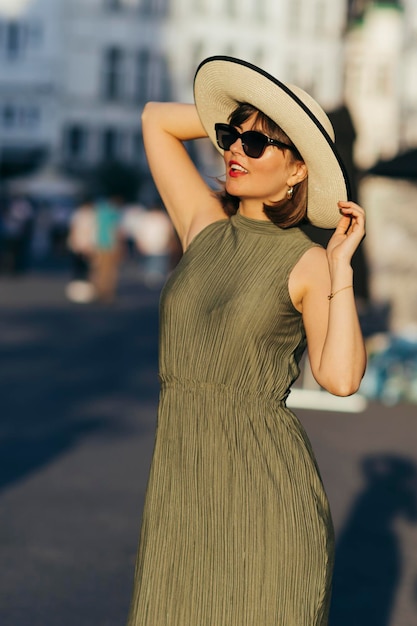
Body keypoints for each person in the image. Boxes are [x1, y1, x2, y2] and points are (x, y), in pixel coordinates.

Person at [126, 56, 367, 626]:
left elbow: (340, 379)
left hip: (267, 504)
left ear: (297, 172)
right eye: (231, 137)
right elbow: (155, 119)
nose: (233, 150)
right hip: (180, 495)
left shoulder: (308, 262)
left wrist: (341, 269)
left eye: (258, 146)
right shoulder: (202, 224)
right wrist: (247, 122)